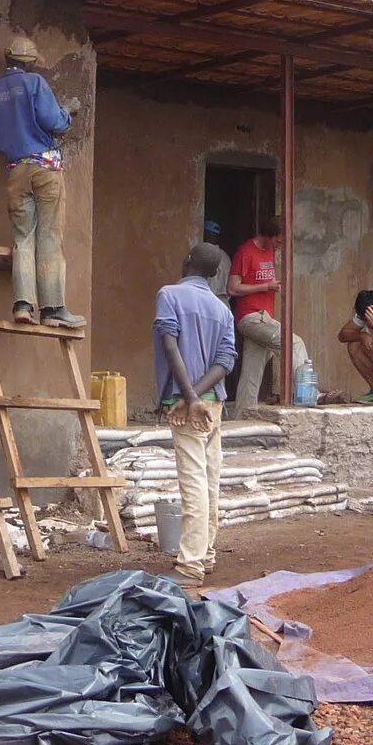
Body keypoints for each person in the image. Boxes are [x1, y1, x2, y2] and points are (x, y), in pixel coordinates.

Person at [0, 36, 83, 327]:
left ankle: (23, 306)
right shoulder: (34, 83)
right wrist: (68, 111)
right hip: (44, 167)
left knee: (22, 239)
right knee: (50, 236)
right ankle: (52, 310)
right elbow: (55, 123)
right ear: (30, 61)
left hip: (15, 170)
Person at [154, 243, 237, 584]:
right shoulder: (223, 310)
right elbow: (225, 361)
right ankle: (208, 553)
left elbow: (170, 345)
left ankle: (190, 566)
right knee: (210, 480)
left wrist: (188, 398)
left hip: (188, 407)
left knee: (194, 484)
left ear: (187, 261)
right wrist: (200, 397)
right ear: (216, 273)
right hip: (213, 404)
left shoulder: (169, 295)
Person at [229, 217, 283, 406]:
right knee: (293, 344)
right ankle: (306, 392)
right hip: (251, 316)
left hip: (265, 316)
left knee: (252, 371)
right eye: (277, 241)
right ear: (268, 235)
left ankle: (242, 415)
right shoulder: (246, 251)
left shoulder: (270, 252)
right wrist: (265, 286)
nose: (278, 246)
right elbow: (232, 288)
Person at [203, 221, 231, 305]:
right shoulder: (225, 257)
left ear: (205, 234)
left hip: (209, 301)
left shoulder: (202, 254)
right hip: (224, 303)